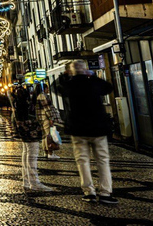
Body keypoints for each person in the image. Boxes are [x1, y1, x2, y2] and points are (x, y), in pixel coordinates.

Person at [56, 60, 117, 204]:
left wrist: (64, 76)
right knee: (102, 161)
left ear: (71, 71)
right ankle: (105, 193)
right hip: (98, 129)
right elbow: (108, 87)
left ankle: (89, 192)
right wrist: (93, 75)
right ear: (85, 70)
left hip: (78, 130)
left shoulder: (70, 85)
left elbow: (57, 88)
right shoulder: (93, 83)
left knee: (82, 161)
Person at [9, 84, 54, 192]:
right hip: (30, 132)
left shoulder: (17, 104)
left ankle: (26, 180)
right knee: (32, 156)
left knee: (26, 154)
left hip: (23, 132)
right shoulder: (27, 105)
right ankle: (34, 183)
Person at [37, 86, 60, 160]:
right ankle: (50, 153)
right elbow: (47, 108)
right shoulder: (43, 96)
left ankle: (46, 152)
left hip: (41, 118)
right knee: (48, 135)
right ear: (44, 88)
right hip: (45, 117)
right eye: (47, 88)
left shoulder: (37, 96)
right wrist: (51, 118)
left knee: (44, 135)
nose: (48, 90)